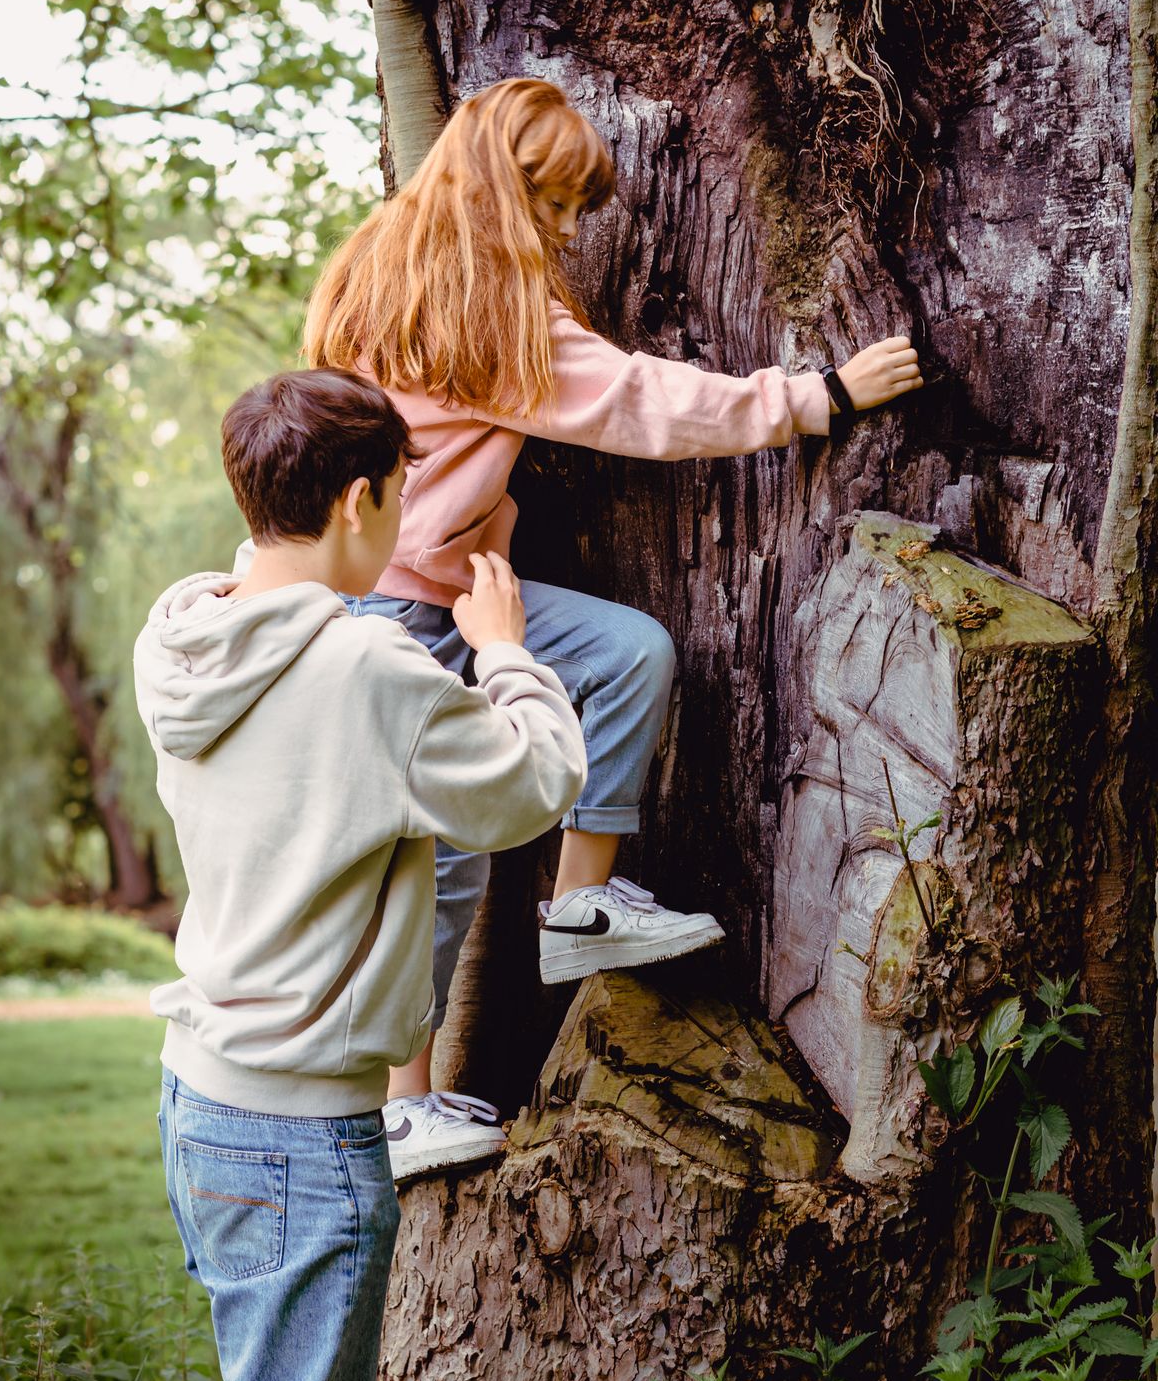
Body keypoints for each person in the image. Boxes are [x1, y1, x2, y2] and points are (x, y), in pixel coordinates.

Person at [304, 76, 923, 1181]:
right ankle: (401, 1108)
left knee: (626, 654)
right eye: (553, 205)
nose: (565, 229)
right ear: (504, 189)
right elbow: (641, 403)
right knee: (433, 861)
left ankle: (579, 901)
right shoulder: (479, 308)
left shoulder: (380, 263)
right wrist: (815, 393)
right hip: (401, 610)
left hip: (443, 583)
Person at [134, 368, 586, 1381]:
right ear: (355, 502)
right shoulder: (369, 672)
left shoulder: (180, 634)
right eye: (397, 493)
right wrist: (499, 649)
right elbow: (535, 787)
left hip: (201, 1100)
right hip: (299, 1138)